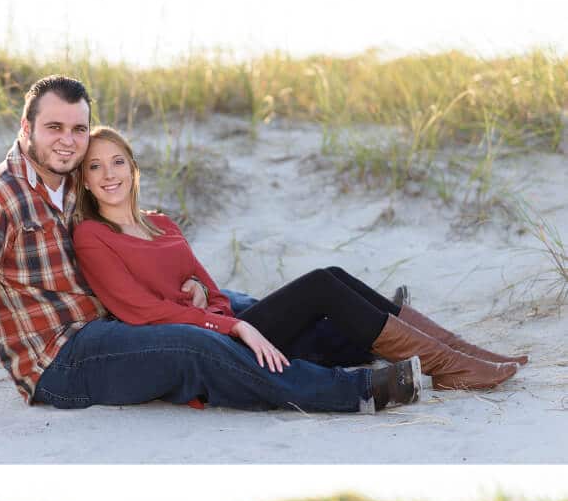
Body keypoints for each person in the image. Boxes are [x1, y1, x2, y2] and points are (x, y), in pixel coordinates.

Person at [0, 76, 419, 422]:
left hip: (117, 319)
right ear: (25, 128)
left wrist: (181, 284)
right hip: (61, 361)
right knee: (197, 345)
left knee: (241, 304)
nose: (68, 140)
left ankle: (368, 341)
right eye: (54, 127)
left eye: (78, 128)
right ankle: (355, 391)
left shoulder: (74, 183)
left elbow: (126, 240)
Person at [72, 125, 526, 392]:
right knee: (322, 285)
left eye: (116, 162)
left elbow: (208, 286)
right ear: (85, 182)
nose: (108, 174)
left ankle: (460, 352)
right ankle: (447, 366)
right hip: (217, 343)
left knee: (333, 279)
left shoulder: (162, 223)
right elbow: (139, 310)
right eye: (94, 167)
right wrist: (227, 323)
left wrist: (200, 295)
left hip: (227, 321)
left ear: (133, 168)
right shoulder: (93, 236)